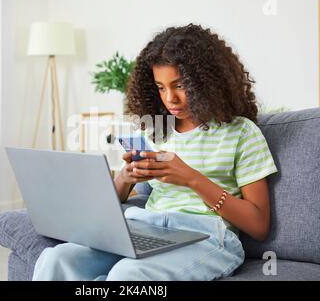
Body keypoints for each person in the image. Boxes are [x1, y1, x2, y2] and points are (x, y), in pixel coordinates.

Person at [32, 23, 278, 281]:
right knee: (55, 259)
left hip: (208, 237)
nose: (170, 98)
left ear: (207, 81)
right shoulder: (156, 130)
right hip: (145, 229)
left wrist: (191, 178)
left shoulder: (241, 132)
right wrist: (126, 177)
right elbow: (119, 200)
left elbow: (258, 225)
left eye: (179, 85)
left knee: (127, 275)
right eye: (161, 87)